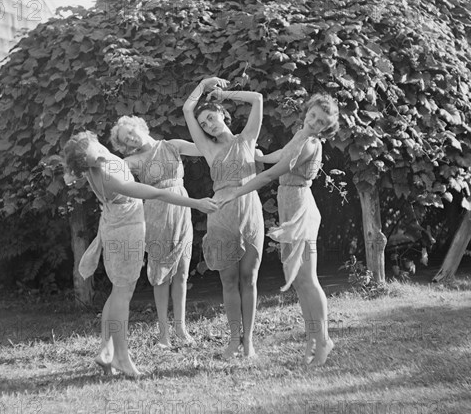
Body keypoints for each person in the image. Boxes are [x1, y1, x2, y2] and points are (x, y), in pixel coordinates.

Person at [62, 131, 217, 377]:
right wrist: (196, 203)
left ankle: (106, 351)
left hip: (115, 226)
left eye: (98, 149)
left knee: (117, 292)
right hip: (125, 233)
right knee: (124, 293)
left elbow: (72, 173)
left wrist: (75, 167)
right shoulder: (108, 175)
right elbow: (155, 193)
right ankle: (122, 358)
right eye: (94, 157)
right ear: (87, 162)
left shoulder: (95, 165)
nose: (101, 154)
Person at [218, 93, 340, 366]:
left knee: (307, 279)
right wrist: (259, 155)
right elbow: (281, 157)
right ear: (307, 112)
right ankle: (311, 338)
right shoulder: (300, 135)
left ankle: (323, 339)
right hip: (290, 204)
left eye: (320, 122)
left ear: (325, 128)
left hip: (300, 209)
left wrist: (236, 192)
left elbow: (273, 174)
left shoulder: (310, 144)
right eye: (312, 115)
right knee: (297, 278)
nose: (313, 122)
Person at [182, 77, 264, 359]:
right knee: (229, 281)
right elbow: (186, 109)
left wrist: (222, 92)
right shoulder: (209, 149)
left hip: (250, 213)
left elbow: (258, 99)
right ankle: (232, 340)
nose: (208, 125)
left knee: (249, 279)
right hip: (222, 215)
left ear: (222, 113)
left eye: (211, 118)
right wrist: (203, 83)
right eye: (204, 124)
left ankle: (249, 342)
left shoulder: (247, 139)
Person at [109, 116, 204, 348]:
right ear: (125, 147)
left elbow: (205, 148)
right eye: (125, 140)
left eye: (130, 132)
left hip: (182, 209)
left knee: (182, 272)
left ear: (140, 126)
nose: (131, 139)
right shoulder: (134, 160)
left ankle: (181, 329)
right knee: (161, 274)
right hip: (156, 215)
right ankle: (164, 334)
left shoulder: (172, 145)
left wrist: (242, 146)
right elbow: (109, 171)